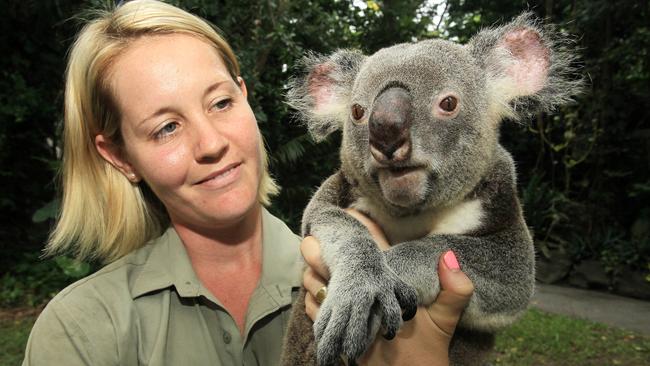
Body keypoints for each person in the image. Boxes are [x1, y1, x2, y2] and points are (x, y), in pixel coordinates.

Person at [22, 1, 474, 365]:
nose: (212, 143)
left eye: (220, 103)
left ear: (245, 97)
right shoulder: (80, 331)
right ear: (120, 157)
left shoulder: (386, 273)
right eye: (166, 128)